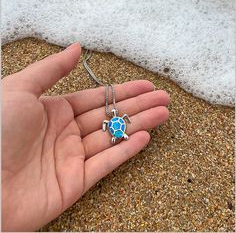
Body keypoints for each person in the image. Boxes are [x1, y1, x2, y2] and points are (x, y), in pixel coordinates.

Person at [2, 42, 170, 231]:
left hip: (114, 130)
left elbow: (120, 119)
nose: (117, 117)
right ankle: (118, 136)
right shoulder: (116, 120)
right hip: (113, 130)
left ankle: (118, 136)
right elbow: (118, 120)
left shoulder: (116, 119)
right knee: (120, 133)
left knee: (121, 133)